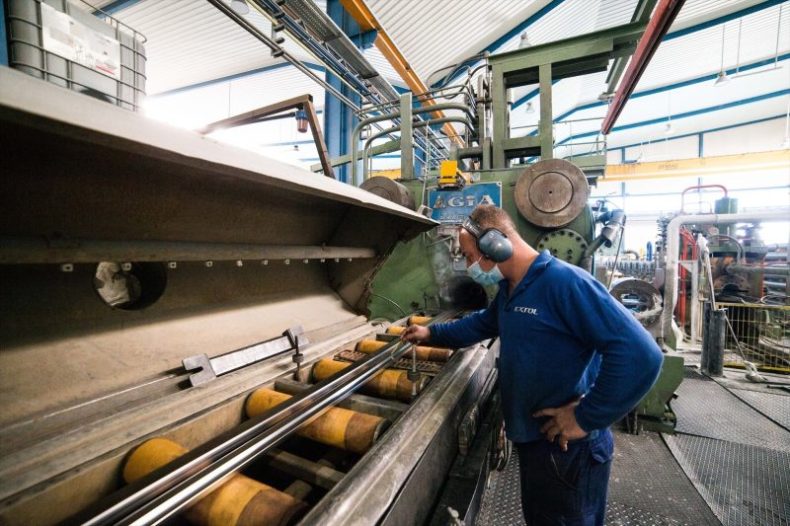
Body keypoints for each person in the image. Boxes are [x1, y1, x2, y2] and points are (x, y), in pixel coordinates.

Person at [402, 205, 663, 526]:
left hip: (567, 449)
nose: (470, 266)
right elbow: (484, 324)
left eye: (470, 256)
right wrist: (431, 333)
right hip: (536, 442)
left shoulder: (564, 283)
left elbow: (642, 355)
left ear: (495, 245)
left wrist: (585, 416)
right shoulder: (511, 288)